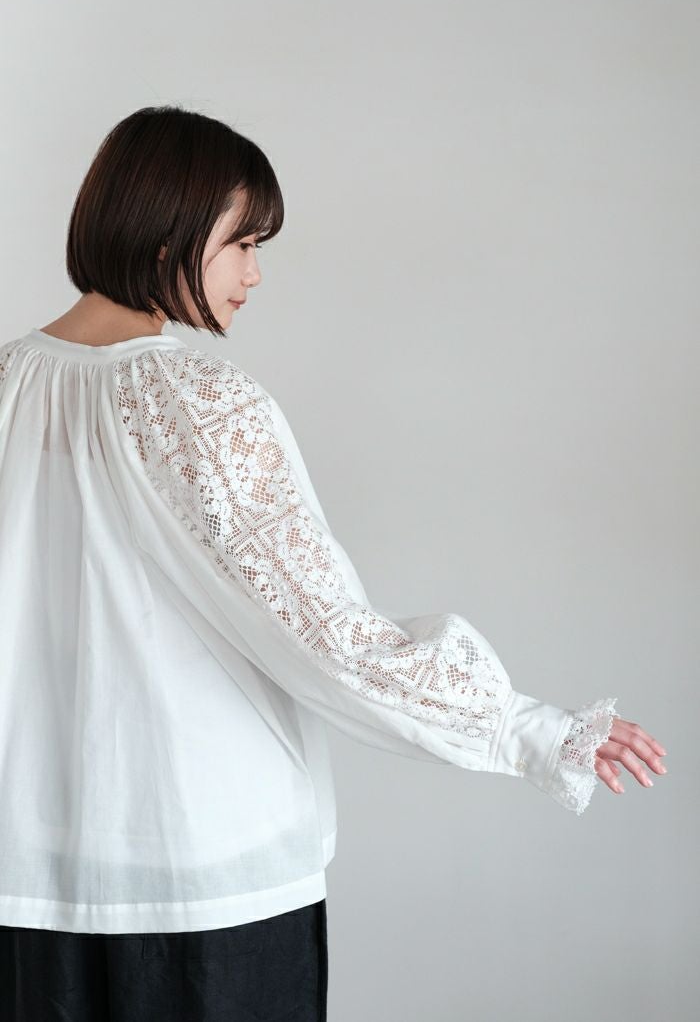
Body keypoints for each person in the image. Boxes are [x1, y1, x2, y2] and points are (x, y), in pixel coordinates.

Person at [0, 105, 667, 1020]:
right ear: (167, 233)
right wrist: (531, 730)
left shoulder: (8, 385)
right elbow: (327, 635)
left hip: (28, 875)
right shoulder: (200, 401)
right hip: (206, 879)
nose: (255, 274)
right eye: (242, 244)